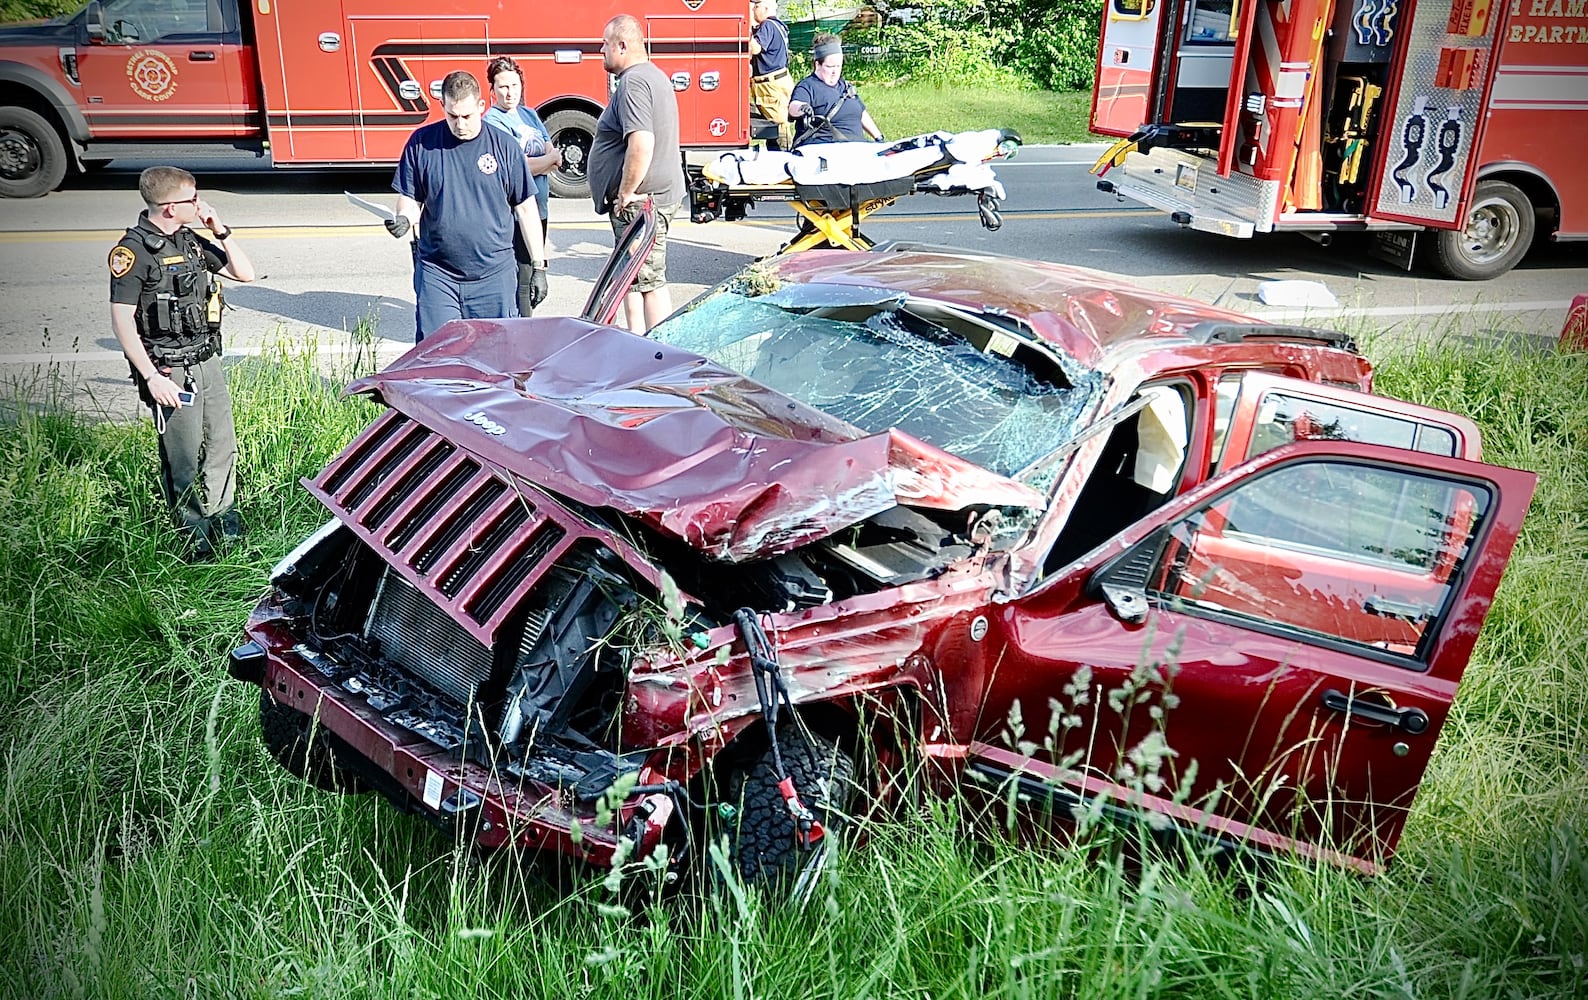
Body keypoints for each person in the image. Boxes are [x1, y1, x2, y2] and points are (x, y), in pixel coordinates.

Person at [108, 166, 256, 560]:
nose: (200, 203)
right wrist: (152, 376)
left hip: (206, 362)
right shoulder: (133, 251)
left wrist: (219, 229)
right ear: (171, 207)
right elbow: (122, 320)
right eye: (193, 199)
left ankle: (226, 526)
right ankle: (195, 545)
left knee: (223, 447)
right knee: (183, 459)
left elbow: (246, 273)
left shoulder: (191, 241)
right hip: (170, 371)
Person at [388, 70, 546, 341]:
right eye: (452, 116)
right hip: (439, 274)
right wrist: (404, 217)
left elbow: (526, 209)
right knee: (436, 357)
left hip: (494, 274)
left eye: (467, 116)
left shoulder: (504, 147)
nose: (460, 124)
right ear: (443, 107)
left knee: (495, 358)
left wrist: (539, 266)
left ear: (481, 106)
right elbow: (411, 198)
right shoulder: (421, 144)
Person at [588, 13, 685, 334]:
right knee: (631, 278)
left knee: (650, 281)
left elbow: (641, 141)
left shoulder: (634, 82)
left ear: (623, 45)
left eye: (605, 43)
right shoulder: (652, 76)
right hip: (647, 200)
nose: (601, 49)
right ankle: (635, 340)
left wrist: (627, 191)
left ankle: (660, 349)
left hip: (643, 202)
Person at [483, 55, 563, 317]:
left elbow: (555, 155)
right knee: (523, 272)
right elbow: (516, 167)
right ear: (492, 90)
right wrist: (545, 161)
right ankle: (522, 327)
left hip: (539, 207)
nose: (510, 93)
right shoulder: (492, 121)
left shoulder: (529, 114)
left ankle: (525, 321)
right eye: (503, 87)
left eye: (514, 85)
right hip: (514, 213)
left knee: (531, 268)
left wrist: (543, 161)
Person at [788, 32, 884, 146]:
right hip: (824, 148)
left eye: (838, 66)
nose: (835, 72)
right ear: (817, 65)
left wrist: (879, 138)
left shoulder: (845, 87)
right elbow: (793, 107)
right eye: (830, 67)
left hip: (858, 146)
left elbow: (861, 113)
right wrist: (802, 108)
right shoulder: (807, 86)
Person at [748, 0, 793, 150]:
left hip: (770, 86)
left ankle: (783, 157)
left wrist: (745, 28)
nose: (753, 10)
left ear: (765, 8)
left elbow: (755, 48)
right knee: (779, 124)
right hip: (780, 80)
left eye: (756, 7)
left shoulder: (767, 25)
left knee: (778, 127)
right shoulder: (779, 25)